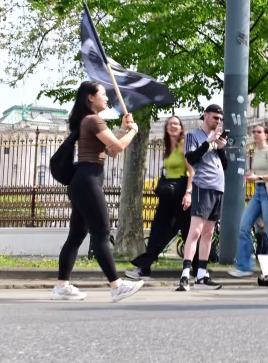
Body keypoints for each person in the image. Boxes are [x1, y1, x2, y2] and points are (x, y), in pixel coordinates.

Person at [51, 81, 144, 301]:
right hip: (87, 181)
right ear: (90, 97)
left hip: (83, 181)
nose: (107, 97)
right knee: (101, 232)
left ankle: (62, 286)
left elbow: (109, 149)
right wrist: (133, 131)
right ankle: (117, 286)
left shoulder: (89, 121)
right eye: (103, 93)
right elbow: (118, 148)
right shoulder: (93, 120)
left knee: (76, 236)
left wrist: (122, 129)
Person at [127, 116, 194, 280]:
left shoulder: (184, 145)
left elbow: (192, 171)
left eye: (176, 124)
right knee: (158, 230)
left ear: (181, 127)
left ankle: (198, 268)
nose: (173, 126)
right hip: (168, 194)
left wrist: (188, 193)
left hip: (181, 193)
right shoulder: (167, 147)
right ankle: (144, 268)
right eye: (170, 124)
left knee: (187, 232)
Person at [177, 104, 228, 291]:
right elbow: (191, 158)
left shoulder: (216, 139)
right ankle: (185, 274)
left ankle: (201, 275)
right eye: (215, 118)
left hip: (217, 188)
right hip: (202, 186)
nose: (218, 121)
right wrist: (209, 141)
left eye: (220, 119)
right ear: (205, 116)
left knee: (209, 233)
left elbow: (225, 166)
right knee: (196, 231)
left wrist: (221, 148)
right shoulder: (193, 135)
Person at [228, 125, 268, 278]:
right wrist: (250, 176)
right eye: (253, 132)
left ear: (266, 135)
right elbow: (259, 172)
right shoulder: (256, 152)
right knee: (244, 227)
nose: (255, 134)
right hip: (258, 193)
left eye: (259, 132)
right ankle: (244, 267)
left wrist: (258, 177)